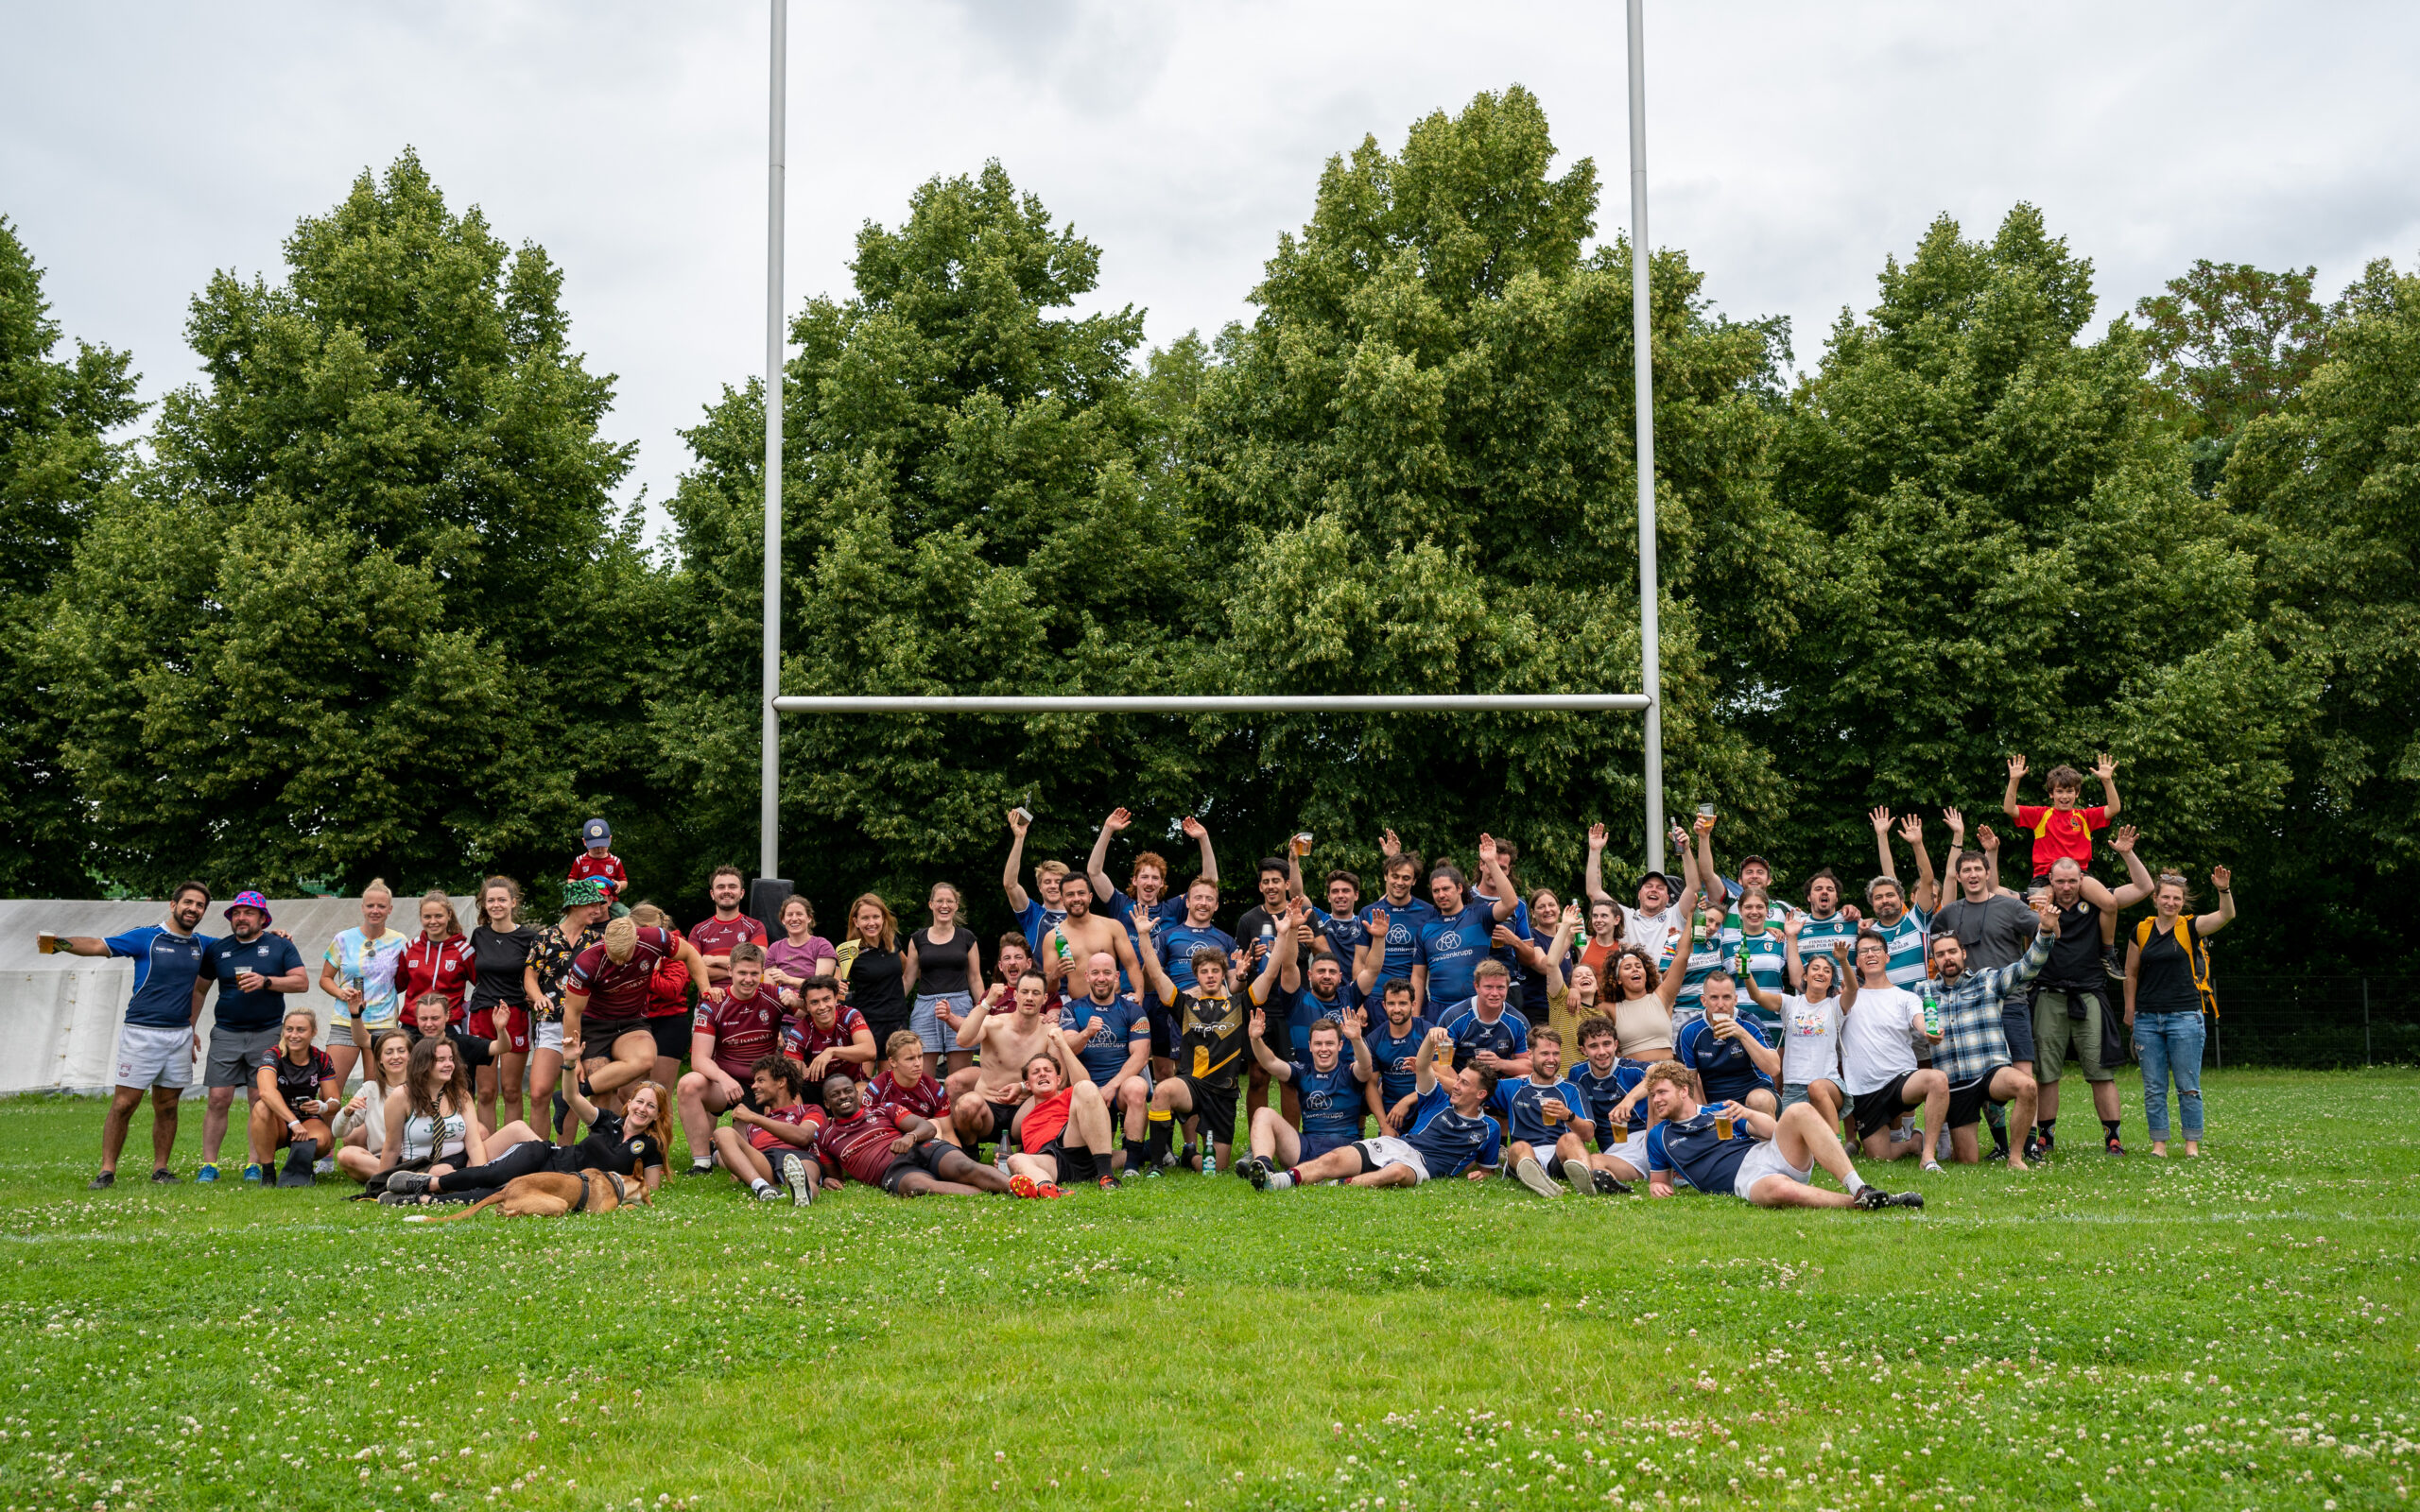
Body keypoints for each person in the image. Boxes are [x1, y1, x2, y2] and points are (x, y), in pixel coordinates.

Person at [46, 881, 215, 1188]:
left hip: (178, 1036)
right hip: (141, 1033)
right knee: (124, 1104)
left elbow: (239, 949)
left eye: (200, 905)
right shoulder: (145, 937)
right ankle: (107, 1170)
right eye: (188, 902)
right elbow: (98, 945)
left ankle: (161, 1169)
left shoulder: (204, 945)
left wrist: (277, 937)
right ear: (173, 904)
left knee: (168, 1105)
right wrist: (58, 943)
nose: (193, 909)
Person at [385, 1045, 666, 1200]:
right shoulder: (607, 1121)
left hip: (567, 1184)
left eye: (650, 1106)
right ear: (629, 1103)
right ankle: (427, 1184)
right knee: (493, 1175)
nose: (642, 1109)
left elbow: (648, 1191)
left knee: (499, 1192)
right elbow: (569, 1095)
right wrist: (568, 1065)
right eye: (639, 1101)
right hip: (545, 1155)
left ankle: (420, 1200)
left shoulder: (650, 1146)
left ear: (657, 1115)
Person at [1132, 906, 1288, 1177]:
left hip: (1223, 1092)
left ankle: (1190, 1155)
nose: (1210, 975)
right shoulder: (1185, 1004)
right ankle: (1156, 1165)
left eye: (1216, 970)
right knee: (1163, 1091)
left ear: (1223, 973)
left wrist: (1284, 935)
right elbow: (1157, 976)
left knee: (1216, 1167)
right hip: (1191, 1084)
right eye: (1204, 971)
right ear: (1197, 975)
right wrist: (1144, 936)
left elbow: (1270, 974)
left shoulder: (1240, 1003)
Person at [1244, 1025, 1499, 1190]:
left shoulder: (1490, 1129)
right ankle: (1275, 1180)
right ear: (1310, 1046)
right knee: (1333, 1159)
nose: (1455, 1085)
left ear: (1480, 1094)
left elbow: (1486, 1168)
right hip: (1401, 1146)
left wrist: (1483, 1174)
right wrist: (1431, 1039)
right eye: (1458, 1079)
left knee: (1396, 1172)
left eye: (1463, 1083)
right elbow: (1422, 1066)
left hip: (1421, 1166)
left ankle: (1339, 1185)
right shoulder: (1437, 1102)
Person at [1639, 1060, 1921, 1209]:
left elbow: (1774, 1132)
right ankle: (1863, 1204)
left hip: (1768, 1154)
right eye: (1652, 1095)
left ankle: (1859, 1187)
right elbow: (1659, 1182)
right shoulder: (1659, 1136)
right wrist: (1655, 1188)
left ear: (1683, 1090)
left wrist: (1748, 1113)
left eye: (1661, 1092)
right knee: (1780, 1190)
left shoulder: (1719, 1111)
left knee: (1798, 1112)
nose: (1656, 1100)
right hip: (1747, 1181)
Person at [2033, 831, 2157, 1157]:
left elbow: (2145, 889)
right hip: (2048, 994)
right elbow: (1993, 891)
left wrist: (2128, 854)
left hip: (2089, 994)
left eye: (2072, 880)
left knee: (2101, 1072)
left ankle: (2113, 1138)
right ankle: (2045, 1138)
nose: (2066, 887)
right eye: (2060, 881)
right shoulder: (2037, 903)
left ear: (2081, 879)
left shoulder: (2100, 900)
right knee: (2046, 1074)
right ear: (2051, 880)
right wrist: (1991, 855)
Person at [1932, 843, 2050, 1160]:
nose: (1972, 875)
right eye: (1966, 870)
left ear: (1988, 873)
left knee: (2023, 1073)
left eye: (1977, 869)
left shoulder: (2010, 906)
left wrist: (2049, 922)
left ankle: (2029, 1146)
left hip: (2011, 998)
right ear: (1958, 876)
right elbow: (1935, 947)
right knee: (1983, 1073)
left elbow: (2045, 933)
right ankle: (2001, 1144)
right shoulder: (1948, 914)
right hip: (1973, 1006)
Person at [196, 889, 306, 1182]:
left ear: (262, 918)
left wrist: (266, 981)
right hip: (226, 1032)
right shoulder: (218, 949)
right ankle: (210, 1165)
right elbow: (199, 989)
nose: (241, 917)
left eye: (248, 913)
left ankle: (254, 1163)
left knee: (260, 1099)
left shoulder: (280, 946)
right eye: (236, 913)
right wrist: (189, 1026)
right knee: (218, 1099)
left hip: (267, 1032)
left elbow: (301, 982)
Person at [2126, 867, 2235, 1159]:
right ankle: (2159, 1145)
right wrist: (2130, 1012)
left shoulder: (2190, 927)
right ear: (2156, 899)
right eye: (2165, 897)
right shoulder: (2140, 930)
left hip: (2186, 1017)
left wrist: (2223, 890)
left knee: (2188, 1086)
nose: (2170, 903)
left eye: (2176, 898)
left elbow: (2226, 916)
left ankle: (2191, 1145)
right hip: (2147, 1018)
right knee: (2154, 1087)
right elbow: (2131, 974)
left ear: (2182, 902)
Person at [562, 916, 711, 1098]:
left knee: (646, 1059)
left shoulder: (655, 939)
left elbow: (689, 952)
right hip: (596, 1025)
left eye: (624, 956)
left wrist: (705, 989)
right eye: (613, 956)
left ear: (637, 940)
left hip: (631, 1021)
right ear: (605, 942)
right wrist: (574, 1059)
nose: (618, 962)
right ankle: (598, 1121)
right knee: (602, 1093)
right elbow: (572, 1011)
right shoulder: (587, 962)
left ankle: (577, 1093)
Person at [2003, 753, 2125, 976]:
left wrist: (2107, 780)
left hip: (2079, 875)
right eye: (2060, 791)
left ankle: (2107, 952)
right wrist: (2014, 780)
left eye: (2069, 791)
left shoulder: (2084, 817)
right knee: (2034, 912)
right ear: (2051, 794)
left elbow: (2114, 809)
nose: (2065, 796)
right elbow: (2010, 809)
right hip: (2044, 875)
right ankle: (2030, 961)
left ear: (2077, 793)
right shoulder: (2042, 815)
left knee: (2110, 903)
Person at [1837, 931, 1948, 1168]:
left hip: (1900, 1081)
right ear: (1857, 962)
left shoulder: (1905, 997)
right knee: (1878, 1155)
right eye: (1864, 952)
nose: (1870, 955)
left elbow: (1919, 1019)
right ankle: (1913, 1143)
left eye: (1876, 949)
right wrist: (1842, 961)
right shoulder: (1848, 997)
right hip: (1865, 1091)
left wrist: (1927, 1031)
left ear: (1887, 957)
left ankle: (1928, 1156)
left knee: (1937, 1080)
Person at [677, 940, 786, 1176]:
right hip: (725, 1084)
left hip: (760, 1088)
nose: (748, 979)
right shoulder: (714, 1003)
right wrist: (723, 1078)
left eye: (754, 973)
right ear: (730, 971)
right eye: (742, 973)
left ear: (762, 972)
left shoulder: (774, 995)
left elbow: (810, 1009)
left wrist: (797, 999)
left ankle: (717, 1154)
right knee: (688, 1084)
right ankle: (702, 1162)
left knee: (741, 1157)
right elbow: (699, 1059)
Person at [810, 1073, 1014, 1198]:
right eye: (835, 1095)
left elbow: (927, 1127)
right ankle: (988, 1192)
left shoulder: (883, 1109)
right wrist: (828, 1180)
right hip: (892, 1171)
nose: (843, 1097)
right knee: (917, 1188)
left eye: (847, 1091)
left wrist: (910, 1137)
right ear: (826, 1103)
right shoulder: (823, 1135)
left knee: (965, 1166)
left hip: (918, 1148)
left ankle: (1020, 1188)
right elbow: (835, 1175)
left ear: (856, 1094)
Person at [1236, 1010, 1374, 1187]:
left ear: (1340, 1046)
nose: (1324, 1049)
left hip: (1344, 1152)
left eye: (1329, 1043)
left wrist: (1356, 1039)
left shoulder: (1349, 1072)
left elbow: (1366, 1066)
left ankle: (1303, 1175)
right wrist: (1256, 1040)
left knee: (1344, 1156)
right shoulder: (1302, 1072)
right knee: (1263, 1113)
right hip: (1305, 1150)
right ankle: (1264, 1169)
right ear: (1310, 1046)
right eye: (1318, 1044)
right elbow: (1270, 1062)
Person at [1087, 806, 1219, 977]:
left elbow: (1209, 883)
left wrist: (1204, 838)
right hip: (1131, 992)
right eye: (1144, 877)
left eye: (1155, 878)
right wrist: (1107, 830)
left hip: (1167, 992)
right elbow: (1094, 872)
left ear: (1162, 883)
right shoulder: (1120, 905)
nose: (1150, 883)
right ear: (1135, 881)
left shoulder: (1173, 908)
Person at [525, 879, 611, 1143]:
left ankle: (564, 1154)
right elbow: (530, 976)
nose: (598, 910)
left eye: (599, 904)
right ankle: (538, 1153)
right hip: (551, 1024)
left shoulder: (598, 940)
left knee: (574, 1092)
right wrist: (538, 997)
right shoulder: (545, 938)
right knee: (539, 1092)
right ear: (574, 905)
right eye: (592, 905)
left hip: (586, 1026)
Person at [1741, 930, 1851, 1133]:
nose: (1820, 973)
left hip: (1827, 1083)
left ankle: (1835, 1143)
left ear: (1830, 980)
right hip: (1793, 1086)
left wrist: (1843, 961)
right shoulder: (1790, 1003)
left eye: (1827, 971)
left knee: (1816, 1087)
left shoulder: (1836, 1005)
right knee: (1790, 1140)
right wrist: (1745, 972)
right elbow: (1756, 995)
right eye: (1815, 968)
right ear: (1805, 976)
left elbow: (1852, 990)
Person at [947, 971, 1063, 1152]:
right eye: (1024, 992)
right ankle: (970, 1151)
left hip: (1024, 1109)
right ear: (1015, 995)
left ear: (1045, 998)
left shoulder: (1049, 1029)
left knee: (1054, 1095)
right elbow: (963, 1039)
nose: (1029, 998)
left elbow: (1058, 1075)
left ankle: (1030, 1150)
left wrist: (1024, 1087)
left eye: (1036, 993)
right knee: (966, 1104)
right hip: (988, 1109)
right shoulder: (994, 1023)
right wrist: (987, 1003)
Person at [1054, 953, 1151, 1166]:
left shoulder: (1133, 1010)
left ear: (1116, 977)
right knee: (1088, 1158)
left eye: (1107, 973)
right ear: (1087, 976)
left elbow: (1141, 1055)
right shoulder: (1072, 1009)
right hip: (1084, 1088)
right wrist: (1086, 1033)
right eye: (1096, 973)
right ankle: (1134, 1153)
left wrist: (1112, 1086)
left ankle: (1132, 1164)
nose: (1101, 978)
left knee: (1137, 1087)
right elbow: (1069, 1048)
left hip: (1120, 1087)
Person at [1001, 1031, 1122, 1194]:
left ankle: (1106, 1176)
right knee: (1015, 1159)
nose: (1042, 1073)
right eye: (1036, 1072)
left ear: (1058, 1079)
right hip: (1053, 1162)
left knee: (1085, 1087)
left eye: (1047, 1070)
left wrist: (1062, 1044)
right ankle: (1047, 1188)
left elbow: (1086, 1085)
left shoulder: (1070, 1095)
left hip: (1076, 1144)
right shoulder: (1026, 1120)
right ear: (1028, 1084)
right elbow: (1028, 1155)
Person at [463, 876, 538, 1135]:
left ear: (513, 902)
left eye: (501, 900)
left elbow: (535, 976)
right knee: (485, 1092)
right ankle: (485, 1152)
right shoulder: (478, 935)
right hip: (482, 1013)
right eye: (490, 900)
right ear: (484, 904)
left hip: (515, 1013)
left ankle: (511, 1150)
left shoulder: (529, 937)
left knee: (511, 1090)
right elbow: (472, 973)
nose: (496, 905)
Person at [318, 880, 408, 1093]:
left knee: (377, 1092)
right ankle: (328, 1128)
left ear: (390, 910)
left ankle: (371, 1129)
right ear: (362, 907)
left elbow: (404, 980)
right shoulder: (343, 938)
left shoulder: (400, 941)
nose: (375, 911)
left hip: (383, 1023)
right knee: (329, 1091)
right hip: (345, 1020)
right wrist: (341, 993)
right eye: (370, 906)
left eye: (381, 906)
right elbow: (325, 978)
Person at [1410, 838, 1518, 1011]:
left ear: (1459, 888)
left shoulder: (1480, 915)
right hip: (1438, 1010)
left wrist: (1491, 862)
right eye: (1436, 891)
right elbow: (1418, 977)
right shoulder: (1425, 930)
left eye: (1446, 889)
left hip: (1476, 1008)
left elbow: (1511, 903)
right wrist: (1414, 1018)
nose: (1441, 895)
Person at [1492, 1026, 1599, 1199]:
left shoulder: (1571, 1089)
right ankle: (1541, 1180)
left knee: (1570, 1139)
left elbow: (1588, 1134)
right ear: (1530, 1054)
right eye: (1545, 1054)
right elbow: (1473, 1092)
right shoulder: (1512, 1087)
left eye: (1556, 1054)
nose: (1552, 1059)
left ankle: (1589, 1181)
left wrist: (1568, 1116)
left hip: (1559, 1157)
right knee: (1518, 1147)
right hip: (1525, 1156)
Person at [707, 1054, 823, 1206]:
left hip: (800, 1155)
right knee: (722, 1133)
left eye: (760, 1080)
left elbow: (804, 1137)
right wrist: (724, 1160)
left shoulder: (808, 1110)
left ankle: (804, 1193)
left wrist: (755, 1117)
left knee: (803, 1172)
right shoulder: (752, 1125)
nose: (753, 1086)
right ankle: (761, 1187)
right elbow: (737, 1151)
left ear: (781, 1082)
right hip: (765, 1161)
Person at [374, 1035, 488, 1187]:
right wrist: (381, 1183)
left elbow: (474, 1143)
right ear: (424, 1064)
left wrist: (482, 1174)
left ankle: (473, 1180)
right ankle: (455, 1182)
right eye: (441, 1060)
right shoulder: (402, 1096)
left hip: (460, 1160)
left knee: (517, 1129)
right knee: (443, 1171)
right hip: (421, 1166)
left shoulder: (461, 1094)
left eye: (451, 1059)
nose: (449, 1064)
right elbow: (391, 1148)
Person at [250, 1007, 339, 1187]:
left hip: (307, 1119)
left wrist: (322, 1107)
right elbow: (266, 1092)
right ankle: (268, 1173)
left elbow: (335, 1102)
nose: (294, 1035)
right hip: (280, 1121)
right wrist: (293, 1122)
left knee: (323, 1141)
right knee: (261, 1107)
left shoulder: (321, 1058)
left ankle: (301, 1167)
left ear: (313, 1032)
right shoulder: (272, 1055)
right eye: (289, 1029)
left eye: (301, 1030)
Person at [903, 882, 982, 1082]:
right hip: (925, 1007)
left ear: (956, 905)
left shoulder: (967, 937)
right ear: (931, 904)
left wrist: (983, 1009)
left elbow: (974, 977)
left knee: (959, 1081)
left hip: (960, 1006)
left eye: (949, 901)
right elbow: (908, 978)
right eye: (939, 901)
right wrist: (891, 1005)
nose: (944, 905)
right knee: (922, 1079)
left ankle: (958, 1113)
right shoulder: (917, 939)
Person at [1672, 972, 1779, 1116]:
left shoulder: (1749, 1023)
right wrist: (1701, 1115)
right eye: (1714, 998)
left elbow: (1774, 1068)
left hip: (1755, 1094)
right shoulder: (1690, 1031)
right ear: (1704, 1001)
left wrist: (1742, 1034)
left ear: (1735, 1000)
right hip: (1716, 1103)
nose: (1721, 1005)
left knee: (1759, 1100)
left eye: (1726, 997)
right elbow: (1690, 1082)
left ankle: (1767, 1139)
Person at [1358, 837, 1439, 1009]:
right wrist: (1359, 1003)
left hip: (1410, 998)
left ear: (1414, 881)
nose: (1400, 882)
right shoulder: (1369, 912)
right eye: (1395, 876)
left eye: (1406, 878)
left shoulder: (1428, 912)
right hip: (1374, 997)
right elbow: (1359, 960)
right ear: (1386, 876)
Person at [1582, 819, 1684, 955]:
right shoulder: (1626, 916)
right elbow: (1594, 892)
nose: (1653, 889)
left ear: (1667, 898)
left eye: (1660, 887)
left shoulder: (1675, 914)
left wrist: (1685, 850)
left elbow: (1694, 887)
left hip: (1667, 977)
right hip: (1632, 976)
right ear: (1639, 894)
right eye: (1648, 886)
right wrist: (1595, 850)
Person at [1568, 1016, 1648, 1190]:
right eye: (1593, 1046)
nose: (1602, 1051)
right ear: (1583, 1050)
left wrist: (1630, 1099)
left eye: (1607, 1044)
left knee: (1665, 1089)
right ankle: (1613, 1186)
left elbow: (1662, 1073)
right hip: (1616, 1152)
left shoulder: (1629, 1069)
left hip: (1648, 1142)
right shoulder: (1577, 1073)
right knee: (1593, 1161)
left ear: (1616, 1045)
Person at [1863, 810, 1939, 990]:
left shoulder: (1917, 919)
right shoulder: (1869, 934)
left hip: (1921, 1005)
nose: (1885, 900)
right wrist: (1881, 836)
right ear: (1872, 903)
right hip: (1887, 1011)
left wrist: (1917, 844)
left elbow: (1927, 880)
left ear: (1902, 898)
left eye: (1890, 895)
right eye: (1878, 897)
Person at [626, 902, 697, 1091]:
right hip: (639, 1022)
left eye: (636, 931)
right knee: (626, 1091)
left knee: (658, 1094)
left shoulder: (677, 946)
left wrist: (645, 970)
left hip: (669, 1023)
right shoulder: (638, 948)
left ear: (648, 929)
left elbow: (672, 989)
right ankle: (617, 1123)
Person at [1352, 978, 1434, 1137]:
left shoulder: (1426, 1032)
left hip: (1424, 1107)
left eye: (1403, 1003)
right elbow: (1371, 1085)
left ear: (1413, 1005)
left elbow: (1440, 1081)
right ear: (1384, 1006)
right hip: (1393, 1114)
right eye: (1391, 1004)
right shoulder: (1374, 1039)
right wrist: (1384, 1125)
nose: (1396, 1009)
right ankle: (1357, 1135)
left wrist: (1407, 1101)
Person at [833, 893, 911, 1058]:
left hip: (897, 1019)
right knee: (864, 1080)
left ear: (883, 918)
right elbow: (836, 990)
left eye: (876, 916)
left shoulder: (892, 942)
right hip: (866, 1022)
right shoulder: (849, 951)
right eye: (865, 918)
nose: (871, 923)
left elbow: (908, 969)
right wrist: (838, 987)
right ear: (856, 922)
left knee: (891, 1079)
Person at [332, 1028, 413, 1183]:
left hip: (413, 1159)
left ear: (410, 1056)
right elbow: (337, 1132)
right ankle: (404, 1180)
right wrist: (346, 1112)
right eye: (388, 1052)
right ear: (380, 1060)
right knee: (345, 1155)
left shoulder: (422, 1089)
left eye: (401, 1051)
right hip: (380, 1159)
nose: (395, 1057)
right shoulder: (370, 1089)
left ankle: (389, 1179)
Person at [1434, 959, 1532, 1079]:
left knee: (1525, 1077)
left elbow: (1530, 1065)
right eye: (1488, 987)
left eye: (1500, 987)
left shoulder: (1518, 1021)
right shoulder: (1453, 1016)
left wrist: (1500, 1064)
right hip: (1459, 1085)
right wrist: (1464, 1089)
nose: (1495, 993)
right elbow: (1441, 1065)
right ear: (1476, 986)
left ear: (1507, 987)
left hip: (1499, 1086)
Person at [397, 891, 475, 1025]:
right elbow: (397, 986)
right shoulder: (409, 948)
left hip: (448, 1024)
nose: (433, 922)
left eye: (439, 916)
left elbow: (483, 984)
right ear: (421, 918)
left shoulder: (464, 951)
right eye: (427, 917)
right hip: (412, 1023)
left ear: (449, 915)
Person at [782, 976, 877, 1085]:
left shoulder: (849, 1016)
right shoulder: (800, 1031)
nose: (822, 1007)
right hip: (817, 1088)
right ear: (806, 1005)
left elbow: (870, 1051)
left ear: (836, 998)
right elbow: (789, 1075)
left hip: (852, 1085)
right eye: (814, 1002)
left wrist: (832, 1052)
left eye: (826, 999)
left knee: (862, 1091)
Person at [689, 866, 769, 989]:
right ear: (712, 894)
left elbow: (758, 963)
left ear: (742, 893)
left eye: (732, 887)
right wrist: (739, 970)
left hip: (748, 1003)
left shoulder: (755, 927)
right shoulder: (698, 930)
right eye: (721, 887)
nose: (727, 891)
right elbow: (693, 971)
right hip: (710, 1003)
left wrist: (713, 960)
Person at [1001, 807, 1068, 952]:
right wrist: (1019, 838)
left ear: (1067, 886)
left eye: (1058, 882)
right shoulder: (1033, 913)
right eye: (1047, 882)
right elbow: (1010, 884)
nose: (1052, 886)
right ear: (1039, 887)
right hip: (1039, 975)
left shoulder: (1079, 916)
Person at [866, 1030, 951, 1125]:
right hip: (889, 1136)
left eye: (920, 1056)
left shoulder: (935, 1090)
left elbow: (947, 1132)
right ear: (893, 1062)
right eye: (910, 1059)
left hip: (925, 1137)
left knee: (935, 1124)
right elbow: (868, 1128)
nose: (918, 1064)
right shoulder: (877, 1089)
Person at [763, 894, 838, 993]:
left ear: (809, 918)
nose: (794, 918)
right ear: (783, 920)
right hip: (783, 1002)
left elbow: (821, 986)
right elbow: (768, 991)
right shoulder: (775, 948)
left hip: (813, 1003)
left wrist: (788, 979)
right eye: (789, 915)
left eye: (799, 914)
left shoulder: (822, 945)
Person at [567, 816, 630, 902]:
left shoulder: (615, 861)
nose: (599, 849)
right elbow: (571, 879)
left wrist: (619, 885)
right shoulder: (580, 861)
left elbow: (624, 881)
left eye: (602, 845)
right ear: (585, 842)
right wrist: (579, 886)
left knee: (625, 913)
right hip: (586, 900)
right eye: (595, 846)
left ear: (610, 839)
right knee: (569, 914)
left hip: (610, 900)